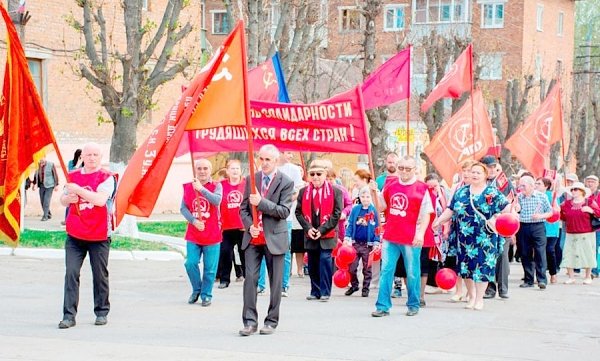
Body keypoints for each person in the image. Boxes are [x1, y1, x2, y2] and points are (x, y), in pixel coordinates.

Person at [433, 162, 510, 311]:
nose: (474, 175)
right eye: (472, 172)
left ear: (485, 176)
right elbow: (451, 210)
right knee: (466, 268)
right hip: (464, 238)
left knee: (483, 267)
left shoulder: (492, 193)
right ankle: (472, 295)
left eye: (478, 173)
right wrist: (439, 221)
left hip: (485, 237)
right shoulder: (461, 192)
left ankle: (480, 298)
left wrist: (511, 216)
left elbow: (507, 208)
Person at [58, 143, 116, 329]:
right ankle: (68, 316)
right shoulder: (72, 176)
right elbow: (63, 199)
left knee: (100, 275)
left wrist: (79, 190)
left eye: (95, 155)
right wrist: (68, 198)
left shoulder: (107, 177)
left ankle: (101, 311)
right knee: (71, 273)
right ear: (82, 156)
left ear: (100, 157)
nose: (92, 158)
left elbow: (99, 200)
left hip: (99, 235)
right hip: (75, 234)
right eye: (88, 154)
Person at [239, 144, 294, 336]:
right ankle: (249, 321)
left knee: (275, 282)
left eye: (267, 160)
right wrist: (249, 226)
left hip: (274, 239)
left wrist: (261, 203)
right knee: (251, 280)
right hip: (253, 239)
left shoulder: (285, 182)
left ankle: (271, 321)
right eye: (261, 159)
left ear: (276, 160)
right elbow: (243, 208)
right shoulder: (251, 179)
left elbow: (284, 211)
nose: (263, 163)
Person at [371, 156, 433, 317]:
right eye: (401, 168)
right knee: (386, 270)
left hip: (411, 236)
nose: (404, 172)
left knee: (412, 272)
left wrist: (420, 233)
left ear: (414, 169)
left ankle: (413, 303)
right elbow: (382, 207)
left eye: (408, 168)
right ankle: (383, 306)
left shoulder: (422, 187)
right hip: (391, 235)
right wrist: (374, 194)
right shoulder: (390, 184)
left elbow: (427, 213)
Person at [296, 159, 343, 302]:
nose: (315, 177)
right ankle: (315, 290)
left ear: (325, 174)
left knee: (325, 260)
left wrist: (322, 230)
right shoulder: (304, 192)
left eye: (319, 174)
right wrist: (308, 228)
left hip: (327, 233)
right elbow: (298, 212)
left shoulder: (335, 191)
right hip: (310, 233)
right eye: (312, 174)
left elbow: (337, 213)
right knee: (313, 262)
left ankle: (325, 291)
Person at [182, 158, 222, 307]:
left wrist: (201, 189)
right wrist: (193, 220)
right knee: (190, 263)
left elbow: (216, 201)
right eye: (199, 168)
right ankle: (197, 289)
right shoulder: (187, 187)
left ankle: (206, 295)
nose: (202, 171)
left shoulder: (217, 186)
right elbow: (183, 208)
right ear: (195, 170)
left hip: (212, 234)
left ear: (210, 170)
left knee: (210, 269)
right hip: (194, 233)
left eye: (205, 168)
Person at [480, 156, 515, 300]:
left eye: (494, 166)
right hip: (485, 224)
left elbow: (513, 201)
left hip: (502, 223)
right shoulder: (479, 182)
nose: (492, 170)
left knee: (502, 256)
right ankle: (489, 287)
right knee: (487, 257)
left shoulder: (504, 183)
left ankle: (503, 288)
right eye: (489, 167)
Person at [514, 175, 553, 289]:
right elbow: (516, 210)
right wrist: (516, 208)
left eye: (523, 185)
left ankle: (541, 279)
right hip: (523, 226)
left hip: (538, 226)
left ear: (531, 185)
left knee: (540, 252)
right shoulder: (519, 197)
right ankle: (528, 279)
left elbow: (550, 212)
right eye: (520, 185)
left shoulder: (541, 196)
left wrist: (540, 215)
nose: (521, 188)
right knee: (525, 253)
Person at [560, 182, 600, 284]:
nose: (573, 191)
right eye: (572, 189)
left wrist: (591, 211)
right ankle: (571, 276)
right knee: (568, 254)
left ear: (582, 191)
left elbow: (598, 212)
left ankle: (587, 276)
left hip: (586, 233)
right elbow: (562, 216)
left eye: (576, 189)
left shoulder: (589, 202)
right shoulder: (566, 203)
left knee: (588, 254)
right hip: (570, 232)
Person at [344, 186, 380, 297]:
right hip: (356, 243)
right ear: (360, 197)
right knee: (352, 267)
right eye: (363, 196)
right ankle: (354, 285)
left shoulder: (374, 211)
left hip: (367, 245)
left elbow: (377, 227)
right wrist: (347, 236)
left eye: (368, 197)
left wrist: (376, 241)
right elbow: (350, 224)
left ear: (371, 198)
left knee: (367, 269)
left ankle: (366, 288)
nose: (365, 199)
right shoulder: (356, 209)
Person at [217, 159, 245, 289]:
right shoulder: (221, 185)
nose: (235, 171)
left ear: (241, 171)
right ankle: (224, 279)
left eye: (237, 168)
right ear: (227, 171)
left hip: (243, 226)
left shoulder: (247, 184)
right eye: (232, 169)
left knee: (244, 252)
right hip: (226, 226)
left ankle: (247, 277)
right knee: (225, 252)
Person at [536, 178, 561, 284]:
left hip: (551, 228)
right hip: (539, 227)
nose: (536, 185)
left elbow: (557, 210)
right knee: (538, 252)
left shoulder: (552, 195)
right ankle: (540, 276)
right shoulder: (534, 195)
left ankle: (553, 273)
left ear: (546, 186)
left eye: (539, 183)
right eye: (535, 183)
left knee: (550, 250)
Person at [583, 175, 600, 278]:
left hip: (597, 226)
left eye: (593, 182)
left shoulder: (598, 195)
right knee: (589, 248)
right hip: (586, 226)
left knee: (595, 248)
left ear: (597, 183)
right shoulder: (583, 195)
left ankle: (595, 270)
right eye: (588, 181)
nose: (590, 183)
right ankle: (591, 269)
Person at [62, 149, 84, 225]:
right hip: (71, 186)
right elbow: (71, 173)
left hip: (81, 186)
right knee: (70, 203)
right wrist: (78, 164)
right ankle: (66, 220)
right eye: (80, 155)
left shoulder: (85, 164)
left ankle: (79, 220)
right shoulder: (71, 163)